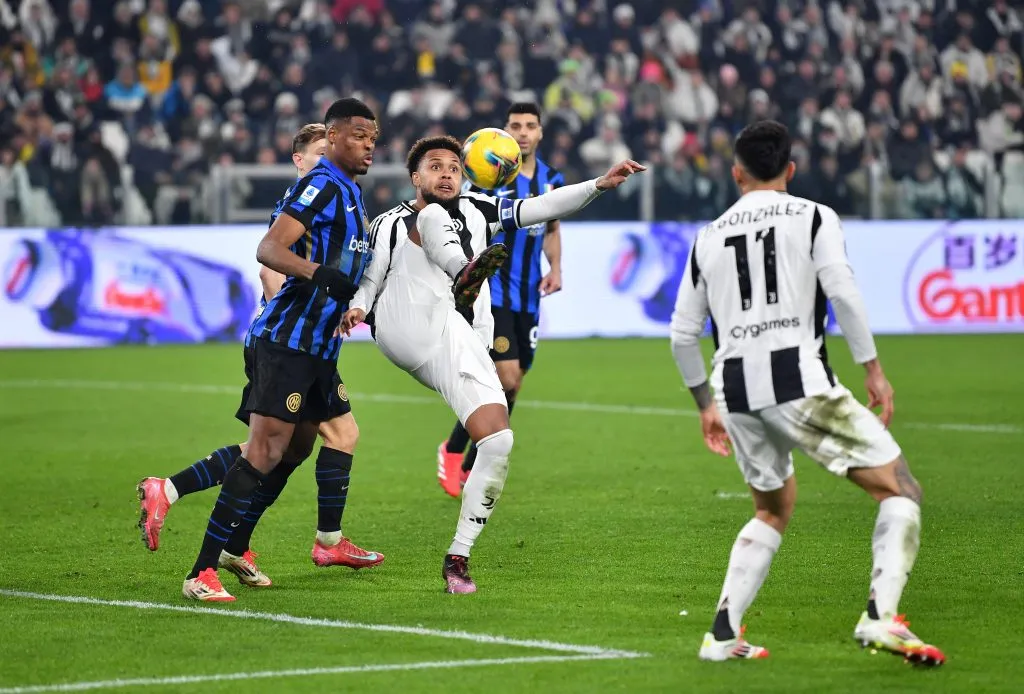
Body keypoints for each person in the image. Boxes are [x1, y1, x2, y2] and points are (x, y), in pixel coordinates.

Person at [669, 120, 944, 666]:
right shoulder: (814, 216)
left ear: (736, 172)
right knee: (900, 488)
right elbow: (841, 290)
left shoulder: (708, 235)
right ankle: (881, 618)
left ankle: (722, 637)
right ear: (790, 169)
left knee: (773, 507)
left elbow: (681, 334)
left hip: (734, 386)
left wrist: (705, 406)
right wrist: (873, 370)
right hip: (797, 378)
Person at [342, 135, 644, 593]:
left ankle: (458, 558)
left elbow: (541, 207)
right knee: (431, 217)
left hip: (455, 335)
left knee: (499, 441)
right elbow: (370, 275)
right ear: (415, 177)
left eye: (453, 168)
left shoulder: (482, 208)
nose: (446, 174)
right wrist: (359, 307)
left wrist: (599, 183)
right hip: (404, 322)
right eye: (435, 167)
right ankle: (465, 269)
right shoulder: (390, 221)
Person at [137, 123, 383, 590]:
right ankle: (203, 565)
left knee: (299, 446)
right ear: (311, 153)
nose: (368, 146)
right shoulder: (314, 192)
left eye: (373, 138)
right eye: (315, 152)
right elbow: (271, 263)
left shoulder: (349, 195)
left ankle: (230, 537)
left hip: (317, 347)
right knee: (266, 450)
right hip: (286, 343)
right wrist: (314, 280)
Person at [436, 102, 566, 497]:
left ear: (540, 132)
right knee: (504, 378)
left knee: (513, 386)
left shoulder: (551, 180)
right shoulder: (486, 183)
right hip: (495, 297)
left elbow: (552, 229)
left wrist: (555, 268)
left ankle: (467, 456)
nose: (523, 132)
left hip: (530, 297)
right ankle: (455, 451)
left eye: (530, 126)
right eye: (516, 126)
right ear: (504, 133)